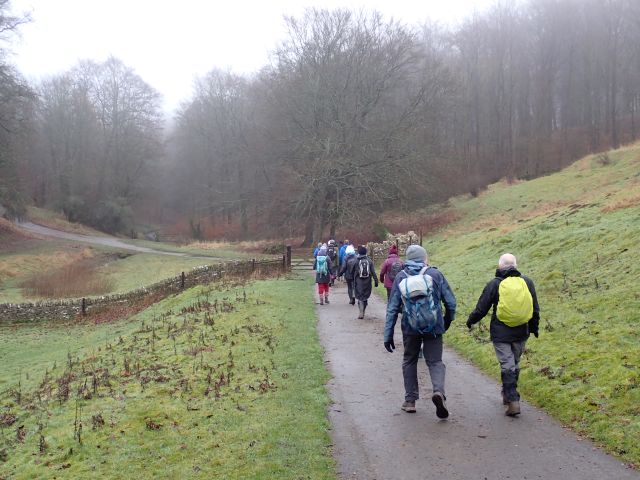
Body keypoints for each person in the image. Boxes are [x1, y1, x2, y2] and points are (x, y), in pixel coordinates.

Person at [384, 245, 456, 418]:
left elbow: (392, 308)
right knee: (435, 362)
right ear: (424, 258)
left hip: (410, 328)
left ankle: (410, 401)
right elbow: (451, 303)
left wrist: (388, 334)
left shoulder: (401, 276)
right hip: (434, 327)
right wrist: (445, 322)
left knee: (409, 361)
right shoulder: (435, 274)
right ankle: (438, 392)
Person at [466, 253, 539, 417]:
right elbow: (535, 308)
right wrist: (534, 328)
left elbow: (482, 307)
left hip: (501, 333)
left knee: (507, 365)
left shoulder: (494, 284)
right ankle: (508, 395)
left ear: (500, 266)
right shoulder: (527, 282)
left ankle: (513, 400)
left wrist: (471, 321)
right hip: (522, 331)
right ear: (516, 266)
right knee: (514, 363)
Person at [347, 245, 378, 319]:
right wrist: (376, 281)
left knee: (360, 297)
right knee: (365, 296)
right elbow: (373, 272)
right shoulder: (369, 260)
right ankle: (363, 310)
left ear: (359, 253)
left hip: (358, 281)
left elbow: (351, 271)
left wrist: (351, 276)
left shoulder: (356, 260)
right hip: (367, 282)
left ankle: (361, 312)